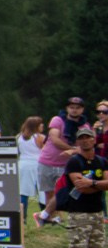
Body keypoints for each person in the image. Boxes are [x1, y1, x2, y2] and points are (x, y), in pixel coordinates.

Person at [56, 126, 108, 248]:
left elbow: (103, 184)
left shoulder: (101, 161)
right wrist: (98, 184)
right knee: (76, 247)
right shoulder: (74, 162)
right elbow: (80, 187)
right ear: (78, 141)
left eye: (88, 137)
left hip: (97, 211)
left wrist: (91, 183)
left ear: (94, 140)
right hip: (79, 212)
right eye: (82, 138)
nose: (85, 140)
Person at [38, 96, 88, 226]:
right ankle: (51, 218)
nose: (74, 110)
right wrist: (73, 149)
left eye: (77, 108)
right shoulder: (58, 120)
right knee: (48, 191)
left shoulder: (84, 125)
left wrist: (75, 150)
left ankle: (49, 215)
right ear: (67, 108)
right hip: (47, 160)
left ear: (82, 109)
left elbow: (84, 142)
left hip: (66, 164)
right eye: (71, 107)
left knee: (63, 191)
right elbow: (55, 139)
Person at [16, 117, 45, 219]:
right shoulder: (39, 137)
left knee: (23, 192)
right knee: (42, 190)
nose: (42, 126)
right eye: (40, 124)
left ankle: (22, 217)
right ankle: (44, 215)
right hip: (37, 164)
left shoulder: (19, 137)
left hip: (23, 164)